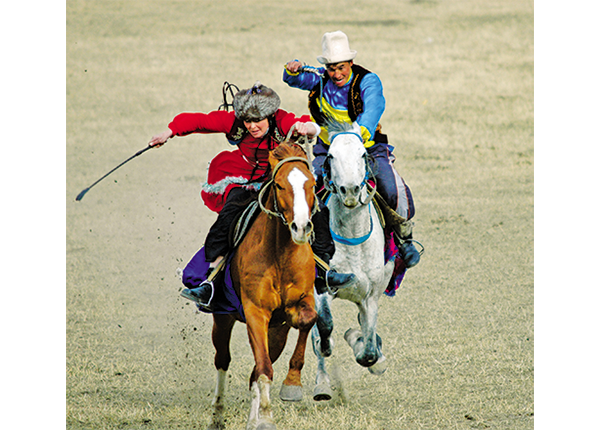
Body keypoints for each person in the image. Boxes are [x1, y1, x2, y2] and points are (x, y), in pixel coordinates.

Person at [149, 82, 355, 310]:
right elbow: (200, 121)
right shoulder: (235, 122)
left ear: (270, 115)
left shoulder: (283, 121)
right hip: (242, 178)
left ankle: (325, 271)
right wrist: (168, 133)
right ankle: (211, 280)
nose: (251, 126)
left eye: (257, 120)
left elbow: (311, 126)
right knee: (229, 214)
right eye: (247, 121)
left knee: (317, 209)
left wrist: (308, 128)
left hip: (276, 181)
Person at [283, 30, 421, 268]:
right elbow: (294, 80)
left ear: (351, 64)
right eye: (331, 68)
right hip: (328, 151)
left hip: (365, 147)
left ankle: (404, 238)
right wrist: (292, 69)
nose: (336, 74)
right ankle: (308, 247)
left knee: (390, 188)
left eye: (341, 67)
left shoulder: (368, 81)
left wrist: (357, 136)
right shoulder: (321, 78)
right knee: (309, 190)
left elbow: (374, 108)